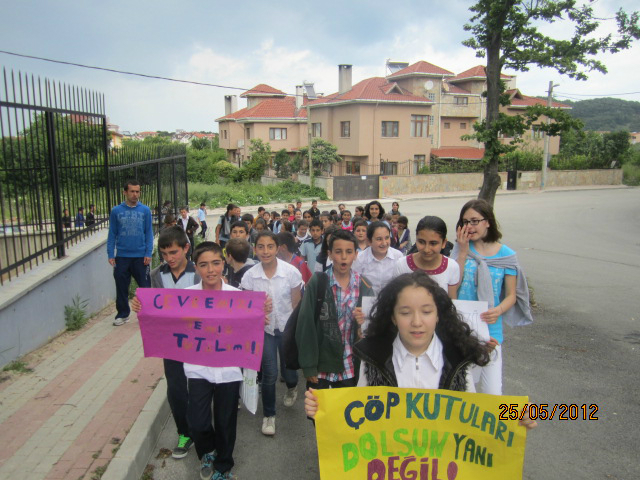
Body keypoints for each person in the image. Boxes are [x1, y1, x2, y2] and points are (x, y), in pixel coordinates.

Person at [304, 272, 538, 431]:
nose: (417, 322)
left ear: (439, 315)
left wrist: (516, 417)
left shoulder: (457, 359)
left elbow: (475, 414)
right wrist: (324, 411)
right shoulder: (373, 358)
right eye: (405, 313)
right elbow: (357, 412)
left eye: (426, 311)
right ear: (393, 317)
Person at [185, 242, 265, 480]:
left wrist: (263, 313)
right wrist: (142, 308)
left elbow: (251, 329)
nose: (211, 270)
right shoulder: (186, 297)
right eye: (203, 265)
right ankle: (207, 450)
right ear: (196, 267)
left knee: (226, 421)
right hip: (197, 369)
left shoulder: (238, 298)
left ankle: (223, 467)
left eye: (216, 263)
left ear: (224, 263)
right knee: (198, 422)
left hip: (229, 370)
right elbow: (163, 321)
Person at [130, 226, 199, 460]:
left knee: (201, 387)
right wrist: (139, 306)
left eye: (174, 252)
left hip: (200, 342)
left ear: (186, 249)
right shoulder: (156, 276)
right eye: (164, 253)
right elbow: (152, 307)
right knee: (176, 388)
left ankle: (204, 430)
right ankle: (185, 433)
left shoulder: (200, 273)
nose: (169, 258)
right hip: (171, 343)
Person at [452, 199, 532, 395]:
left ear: (488, 221)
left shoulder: (507, 255)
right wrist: (462, 252)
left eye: (474, 221)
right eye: (465, 222)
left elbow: (512, 295)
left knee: (493, 394)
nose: (469, 227)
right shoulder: (460, 249)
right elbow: (452, 287)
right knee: (465, 393)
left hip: (491, 330)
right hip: (463, 328)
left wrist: (499, 310)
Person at [295, 229, 374, 393]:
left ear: (356, 254)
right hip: (321, 366)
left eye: (349, 252)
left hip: (350, 366)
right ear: (330, 254)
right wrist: (309, 366)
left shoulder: (364, 285)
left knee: (347, 414)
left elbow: (370, 331)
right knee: (319, 415)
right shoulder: (318, 282)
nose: (343, 257)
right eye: (338, 252)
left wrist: (363, 325)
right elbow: (306, 324)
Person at [240, 231, 303, 436]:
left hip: (287, 329)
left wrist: (297, 330)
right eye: (261, 247)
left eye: (270, 247)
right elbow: (247, 306)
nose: (265, 251)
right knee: (269, 373)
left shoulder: (291, 272)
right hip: (265, 330)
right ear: (254, 249)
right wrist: (258, 314)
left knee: (289, 371)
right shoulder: (250, 276)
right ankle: (269, 415)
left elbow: (296, 302)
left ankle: (292, 387)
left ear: (277, 248)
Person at [107, 179, 153, 326]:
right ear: (125, 192)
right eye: (132, 191)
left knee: (145, 286)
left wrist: (148, 252)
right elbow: (112, 234)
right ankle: (122, 314)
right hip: (122, 256)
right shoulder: (116, 211)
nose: (135, 194)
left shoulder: (145, 210)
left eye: (137, 191)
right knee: (121, 287)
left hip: (140, 256)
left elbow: (149, 233)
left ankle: (148, 313)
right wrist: (110, 254)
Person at [393, 216, 460, 297]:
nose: (426, 249)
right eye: (421, 242)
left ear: (444, 243)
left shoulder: (452, 267)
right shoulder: (401, 265)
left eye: (433, 243)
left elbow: (451, 302)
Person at [352, 221, 403, 295]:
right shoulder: (359, 259)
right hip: (367, 302)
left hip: (391, 301)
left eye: (387, 238)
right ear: (369, 241)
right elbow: (355, 284)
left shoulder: (398, 256)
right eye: (379, 239)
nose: (384, 243)